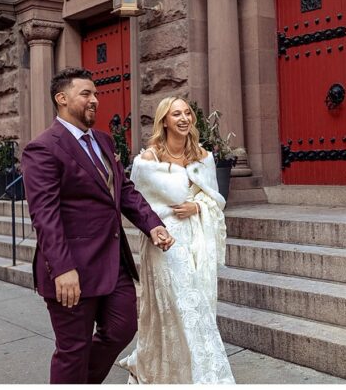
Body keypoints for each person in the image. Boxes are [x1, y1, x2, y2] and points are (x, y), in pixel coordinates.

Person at [22, 67, 175, 384]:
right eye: (86, 94)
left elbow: (124, 191)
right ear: (62, 99)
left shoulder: (104, 141)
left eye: (96, 93)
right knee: (72, 350)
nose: (95, 100)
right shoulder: (43, 148)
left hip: (112, 261)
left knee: (123, 328)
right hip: (71, 268)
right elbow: (45, 214)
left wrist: (152, 225)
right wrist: (62, 268)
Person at [118, 97, 235, 384]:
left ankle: (181, 371)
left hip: (198, 239)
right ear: (164, 121)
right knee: (181, 306)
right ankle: (206, 377)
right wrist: (156, 228)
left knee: (199, 305)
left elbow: (214, 198)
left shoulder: (203, 157)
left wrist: (198, 207)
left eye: (187, 113)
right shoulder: (147, 161)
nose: (184, 119)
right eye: (176, 114)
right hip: (165, 242)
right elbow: (137, 202)